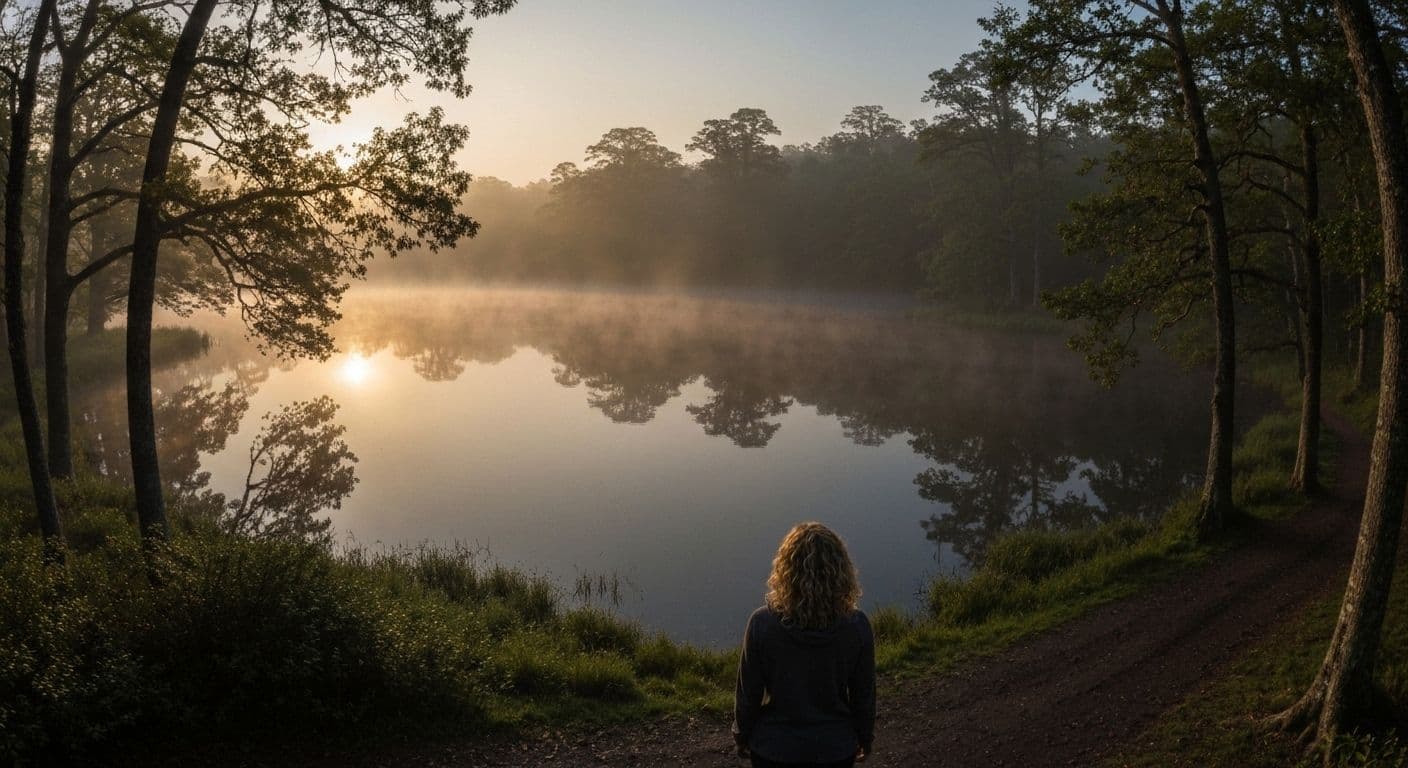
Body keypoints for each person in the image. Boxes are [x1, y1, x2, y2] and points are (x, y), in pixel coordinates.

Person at [733, 522, 876, 768]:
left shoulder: (762, 624)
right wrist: (864, 738)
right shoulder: (857, 626)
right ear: (841, 571)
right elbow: (864, 696)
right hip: (834, 750)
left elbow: (748, 696)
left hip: (773, 750)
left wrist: (742, 736)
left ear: (785, 570)